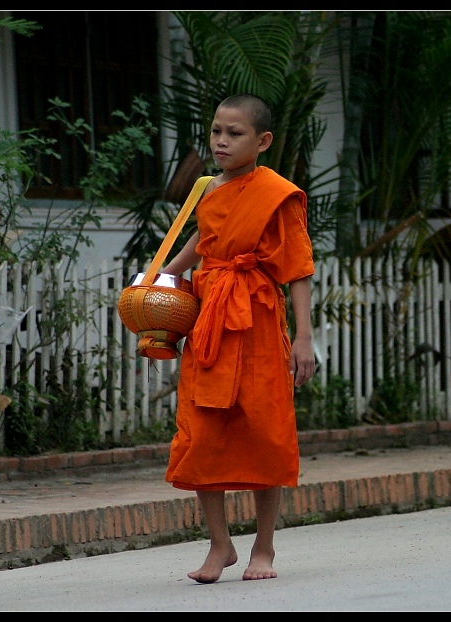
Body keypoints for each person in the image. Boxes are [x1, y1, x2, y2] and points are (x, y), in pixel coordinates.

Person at [160, 93, 316, 581]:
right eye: (216, 132)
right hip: (211, 324)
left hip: (259, 324)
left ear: (262, 141)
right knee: (204, 431)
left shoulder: (278, 194)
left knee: (264, 432)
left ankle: (263, 549)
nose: (222, 142)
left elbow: (299, 270)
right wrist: (161, 277)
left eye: (235, 133)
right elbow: (202, 242)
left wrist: (306, 339)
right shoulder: (208, 191)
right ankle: (219, 545)